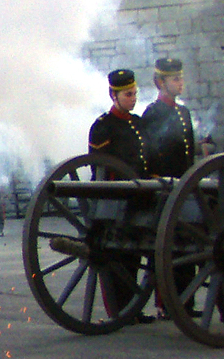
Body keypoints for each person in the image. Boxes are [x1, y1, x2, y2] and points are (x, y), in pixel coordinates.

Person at [87, 69, 152, 323]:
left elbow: (148, 158)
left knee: (134, 256)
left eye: (135, 94)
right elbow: (98, 166)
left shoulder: (137, 123)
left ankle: (132, 309)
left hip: (139, 197)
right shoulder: (103, 126)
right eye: (128, 94)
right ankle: (118, 310)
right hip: (115, 200)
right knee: (118, 259)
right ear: (113, 95)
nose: (133, 99)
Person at [142, 58, 198, 319]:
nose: (180, 82)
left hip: (184, 187)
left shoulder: (183, 112)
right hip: (164, 189)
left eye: (180, 77)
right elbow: (149, 154)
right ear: (160, 83)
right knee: (168, 250)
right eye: (174, 79)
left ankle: (185, 301)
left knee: (189, 246)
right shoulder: (153, 113)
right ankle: (167, 304)